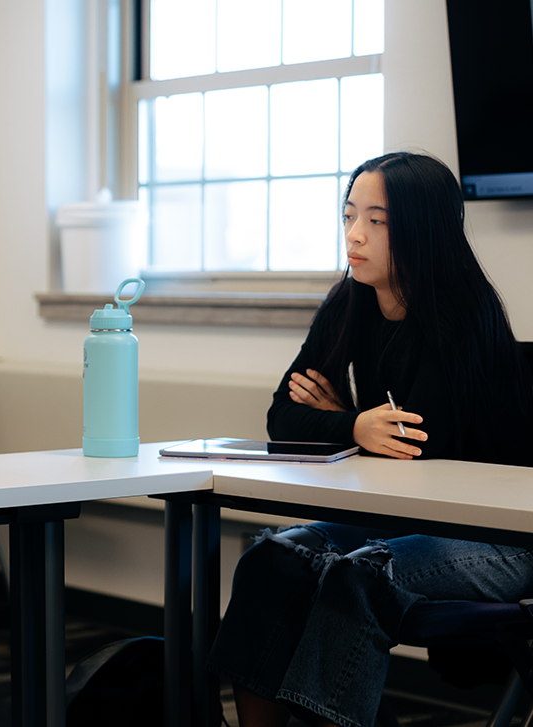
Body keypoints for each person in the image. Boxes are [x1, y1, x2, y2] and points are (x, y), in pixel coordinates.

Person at [207, 151, 533, 727]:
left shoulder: (465, 312)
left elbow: (414, 445)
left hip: (500, 534)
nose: (355, 236)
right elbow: (283, 417)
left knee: (357, 574)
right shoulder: (349, 299)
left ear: (421, 228)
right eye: (350, 215)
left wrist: (345, 420)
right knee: (270, 560)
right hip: (409, 519)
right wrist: (356, 425)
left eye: (377, 221)